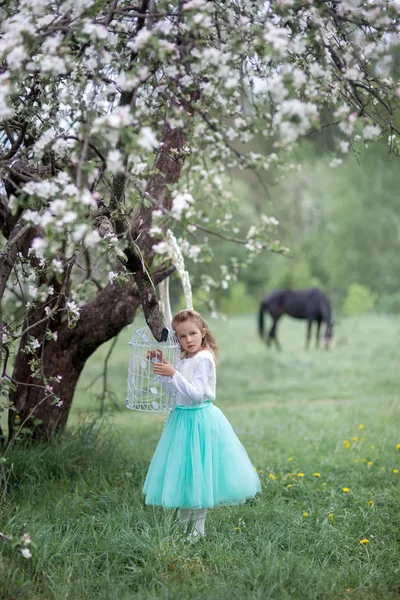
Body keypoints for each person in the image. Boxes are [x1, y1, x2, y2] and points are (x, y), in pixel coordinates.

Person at [142, 309, 261, 541]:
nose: (189, 340)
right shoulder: (182, 358)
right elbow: (174, 393)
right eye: (182, 337)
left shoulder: (204, 358)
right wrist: (163, 369)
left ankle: (198, 528)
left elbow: (196, 394)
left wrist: (174, 373)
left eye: (193, 334)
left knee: (199, 472)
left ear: (203, 332)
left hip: (199, 419)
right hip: (181, 419)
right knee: (184, 471)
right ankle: (181, 524)